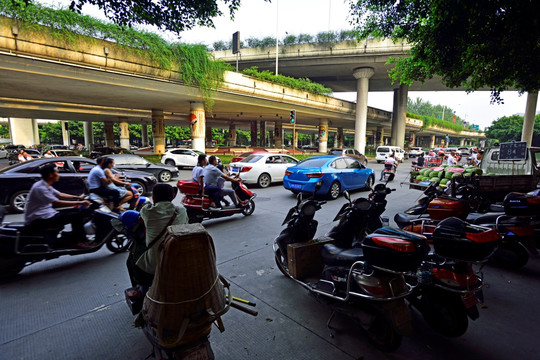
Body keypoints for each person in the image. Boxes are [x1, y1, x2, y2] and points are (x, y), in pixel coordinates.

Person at [24, 163, 91, 248]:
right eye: (57, 172)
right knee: (76, 216)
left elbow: (59, 194)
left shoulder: (44, 184)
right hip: (39, 218)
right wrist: (80, 203)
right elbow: (56, 202)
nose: (59, 174)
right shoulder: (40, 188)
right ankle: (76, 241)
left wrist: (78, 197)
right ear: (50, 175)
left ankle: (81, 237)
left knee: (77, 211)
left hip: (47, 214)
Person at [134, 183, 188, 279]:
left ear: (154, 198)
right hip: (179, 257)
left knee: (134, 253)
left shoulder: (148, 211)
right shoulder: (182, 210)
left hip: (156, 265)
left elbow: (144, 206)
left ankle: (141, 287)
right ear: (173, 197)